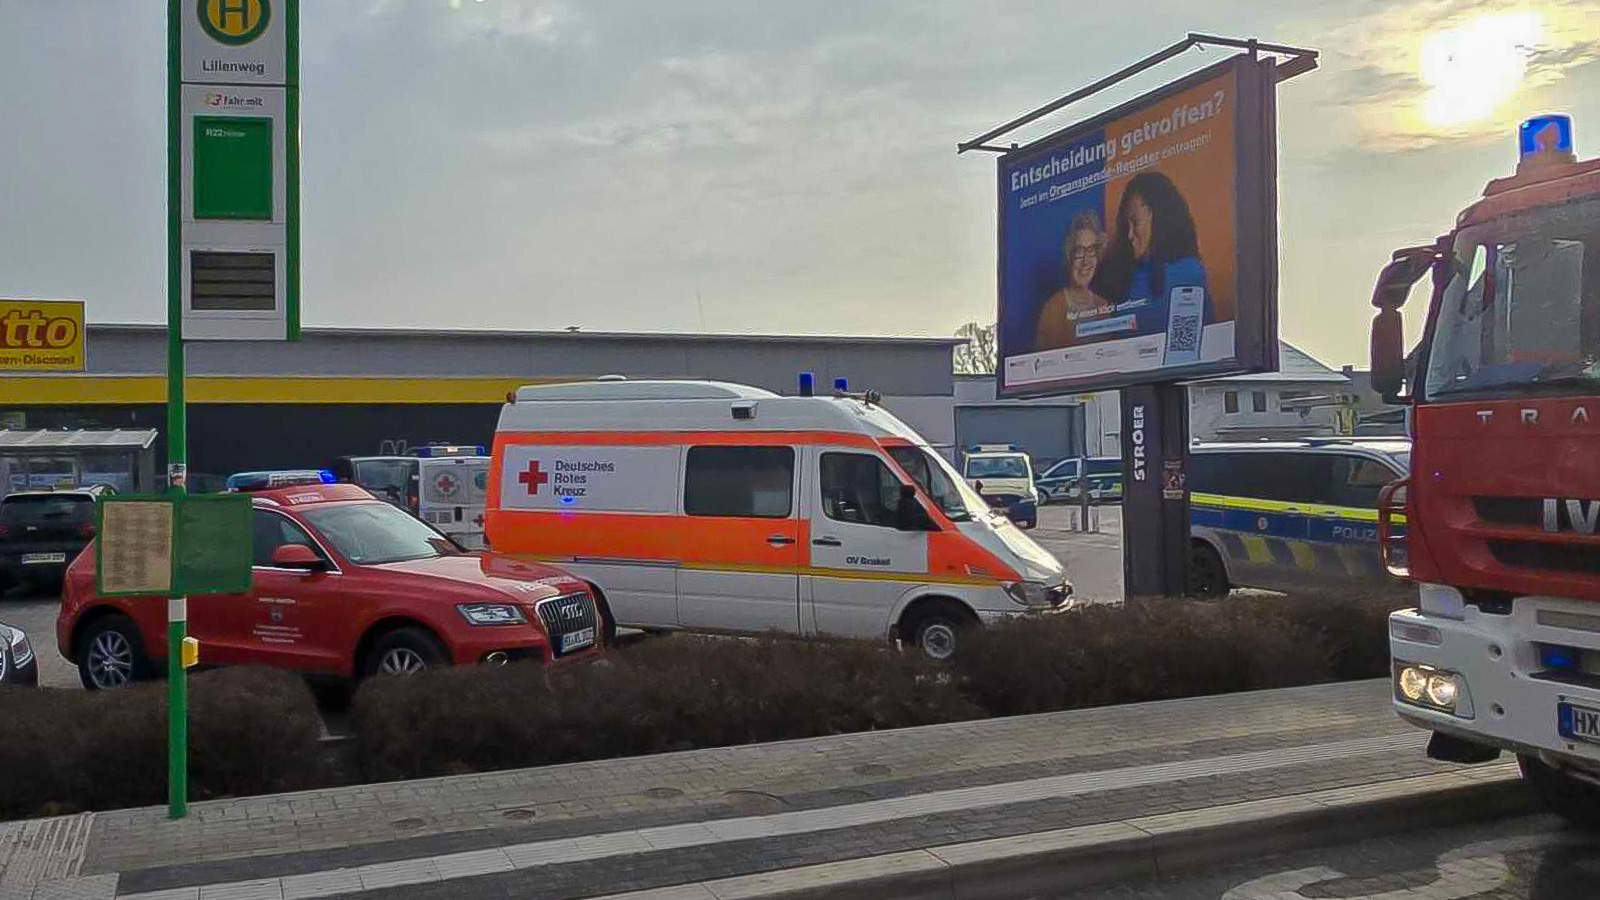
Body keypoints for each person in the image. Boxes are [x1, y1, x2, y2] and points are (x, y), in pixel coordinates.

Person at [1090, 171, 1210, 338]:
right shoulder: (1123, 274)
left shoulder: (1188, 272)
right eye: (1127, 225)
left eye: (1136, 222)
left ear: (1159, 218)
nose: (1130, 234)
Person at [1034, 210, 1112, 350]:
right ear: (1069, 256)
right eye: (1079, 251)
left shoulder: (1104, 306)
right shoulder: (1052, 308)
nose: (1085, 261)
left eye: (1091, 250)